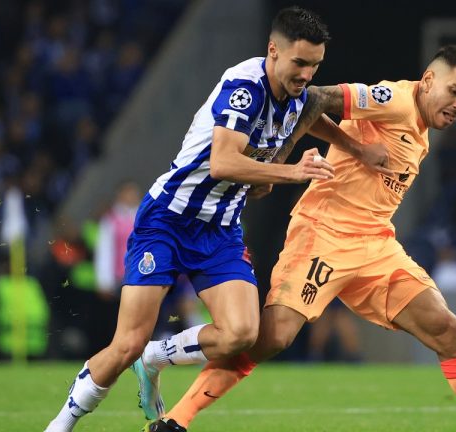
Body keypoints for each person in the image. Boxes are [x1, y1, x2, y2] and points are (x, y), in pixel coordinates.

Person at [44, 6, 389, 431]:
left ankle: (157, 356)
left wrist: (357, 148)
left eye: (314, 66)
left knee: (242, 333)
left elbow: (308, 113)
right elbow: (223, 162)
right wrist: (290, 171)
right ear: (273, 52)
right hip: (167, 221)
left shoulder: (295, 91)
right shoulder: (245, 86)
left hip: (220, 229)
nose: (306, 74)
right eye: (299, 63)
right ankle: (61, 423)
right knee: (126, 343)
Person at [142, 45, 456, 432]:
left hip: (376, 245)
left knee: (447, 329)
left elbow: (313, 108)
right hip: (323, 234)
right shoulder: (394, 100)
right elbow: (315, 97)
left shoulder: (421, 125)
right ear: (429, 81)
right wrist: (283, 162)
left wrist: (356, 148)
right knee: (273, 336)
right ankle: (172, 410)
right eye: (455, 91)